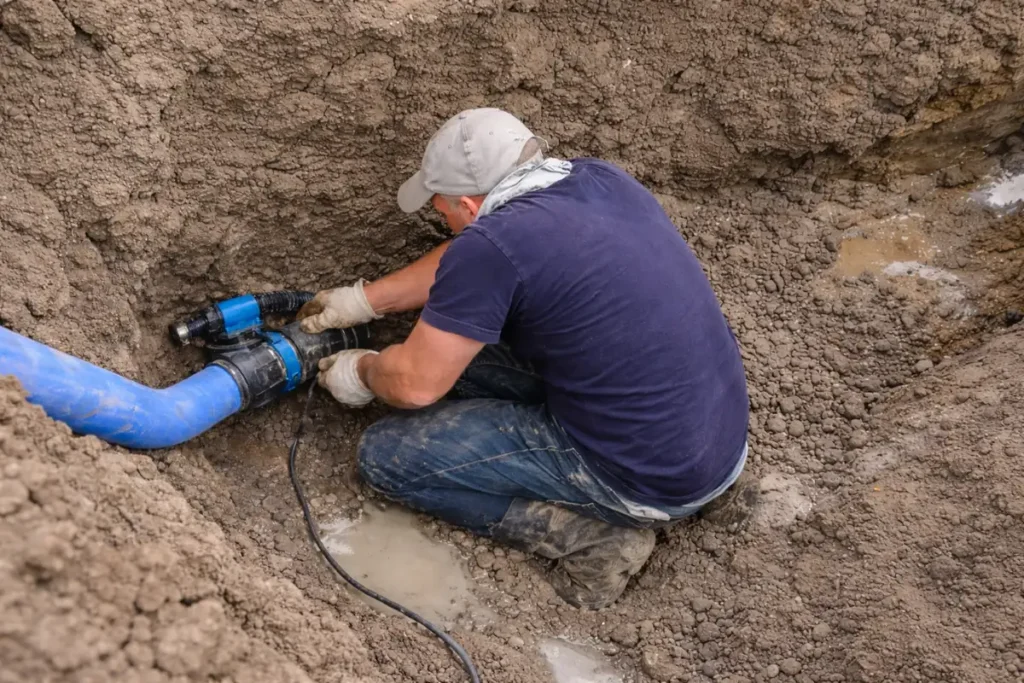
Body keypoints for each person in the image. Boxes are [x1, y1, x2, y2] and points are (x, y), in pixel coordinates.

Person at [297, 108, 756, 609]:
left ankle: (593, 539)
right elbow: (477, 261)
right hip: (713, 442)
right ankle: (712, 493)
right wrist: (366, 300)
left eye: (442, 209)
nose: (442, 220)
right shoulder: (601, 181)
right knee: (454, 347)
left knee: (387, 456)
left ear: (470, 206)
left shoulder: (493, 247)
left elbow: (414, 386)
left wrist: (362, 372)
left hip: (642, 475)